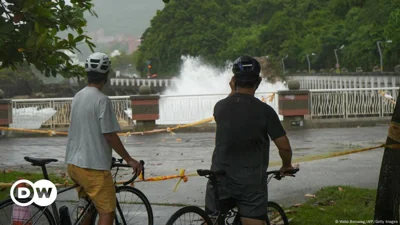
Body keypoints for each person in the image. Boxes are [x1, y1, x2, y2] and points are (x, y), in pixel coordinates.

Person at [205, 55, 296, 225]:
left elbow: (233, 106)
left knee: (212, 220)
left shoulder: (220, 107)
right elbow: (283, 147)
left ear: (233, 80)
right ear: (259, 81)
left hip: (219, 179)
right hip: (250, 183)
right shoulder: (265, 111)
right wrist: (286, 165)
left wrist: (233, 90)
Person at [65, 52, 143, 225]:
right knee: (107, 212)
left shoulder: (78, 96)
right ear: (106, 76)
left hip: (74, 164)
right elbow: (109, 135)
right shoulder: (102, 100)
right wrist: (129, 159)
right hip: (93, 167)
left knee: (89, 207)